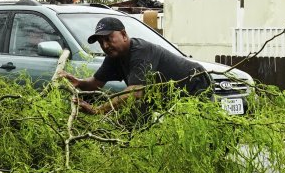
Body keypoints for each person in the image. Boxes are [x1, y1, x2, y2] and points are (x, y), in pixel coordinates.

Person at [60, 16, 211, 113]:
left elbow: (134, 92)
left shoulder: (140, 51)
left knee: (200, 133)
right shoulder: (114, 56)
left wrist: (98, 110)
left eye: (108, 39)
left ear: (124, 35)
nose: (105, 45)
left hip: (195, 83)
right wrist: (78, 82)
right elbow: (95, 83)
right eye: (101, 42)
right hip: (167, 98)